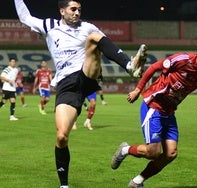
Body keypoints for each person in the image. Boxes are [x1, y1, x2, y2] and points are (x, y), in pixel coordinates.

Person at [14, 0, 147, 187]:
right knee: (61, 136)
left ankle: (129, 66)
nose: (77, 13)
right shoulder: (49, 26)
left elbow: (106, 45)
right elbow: (25, 18)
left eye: (79, 9)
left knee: (94, 38)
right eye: (73, 9)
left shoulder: (88, 27)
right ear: (62, 11)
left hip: (86, 75)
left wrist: (125, 61)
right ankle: (64, 185)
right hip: (66, 85)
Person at [111, 38, 197, 188]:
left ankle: (137, 181)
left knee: (170, 154)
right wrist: (138, 90)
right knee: (153, 152)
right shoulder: (182, 60)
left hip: (169, 112)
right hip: (153, 106)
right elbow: (153, 67)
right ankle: (125, 150)